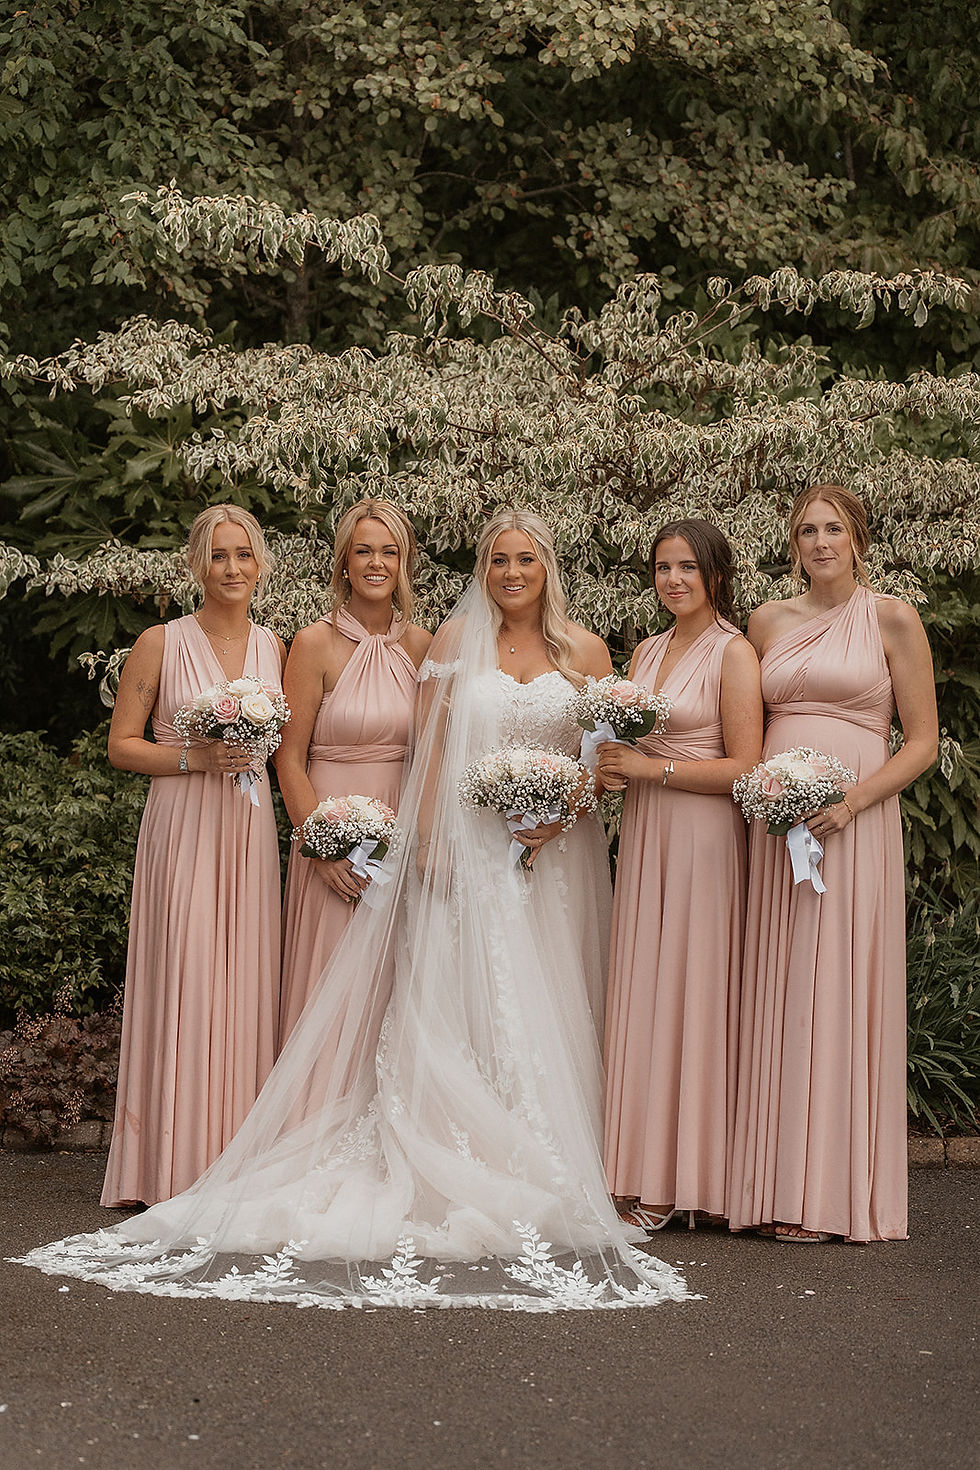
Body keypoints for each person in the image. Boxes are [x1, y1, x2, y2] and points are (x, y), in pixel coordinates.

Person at [17, 510, 688, 1312]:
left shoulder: (562, 650)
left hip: (546, 852)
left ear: (546, 567)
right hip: (408, 841)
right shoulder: (386, 643)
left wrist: (563, 807)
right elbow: (410, 753)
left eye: (526, 560)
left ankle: (555, 1159)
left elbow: (599, 753)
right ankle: (285, 1142)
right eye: (499, 560)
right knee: (386, 1001)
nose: (512, 573)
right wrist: (346, 839)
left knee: (547, 997)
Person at [728, 485, 937, 1242]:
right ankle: (768, 1186)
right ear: (794, 543)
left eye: (835, 530)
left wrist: (850, 802)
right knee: (779, 988)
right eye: (809, 531)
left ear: (859, 541)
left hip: (853, 822)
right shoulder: (767, 621)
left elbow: (918, 742)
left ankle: (827, 1195)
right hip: (777, 823)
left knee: (837, 984)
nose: (821, 543)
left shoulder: (892, 618)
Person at [100, 505, 287, 1208]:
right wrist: (194, 755)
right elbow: (122, 746)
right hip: (182, 822)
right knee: (186, 970)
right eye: (218, 556)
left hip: (246, 826)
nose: (233, 568)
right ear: (196, 566)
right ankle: (168, 1165)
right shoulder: (160, 642)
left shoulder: (277, 646)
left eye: (243, 555)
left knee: (245, 978)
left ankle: (238, 1159)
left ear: (261, 565)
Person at [599, 520, 762, 1231]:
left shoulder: (735, 654)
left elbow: (747, 769)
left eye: (688, 568)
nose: (673, 580)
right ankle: (634, 1165)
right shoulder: (646, 649)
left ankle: (681, 1177)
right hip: (647, 835)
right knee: (647, 988)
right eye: (664, 567)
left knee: (691, 992)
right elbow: (622, 743)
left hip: (701, 838)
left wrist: (650, 769)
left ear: (716, 576)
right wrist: (609, 766)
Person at [276, 500, 431, 1047]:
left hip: (400, 826)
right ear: (343, 561)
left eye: (389, 552)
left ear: (404, 563)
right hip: (328, 827)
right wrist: (322, 847)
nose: (376, 563)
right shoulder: (313, 643)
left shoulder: (421, 644)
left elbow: (434, 752)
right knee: (328, 975)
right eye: (363, 550)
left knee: (393, 976)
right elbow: (288, 758)